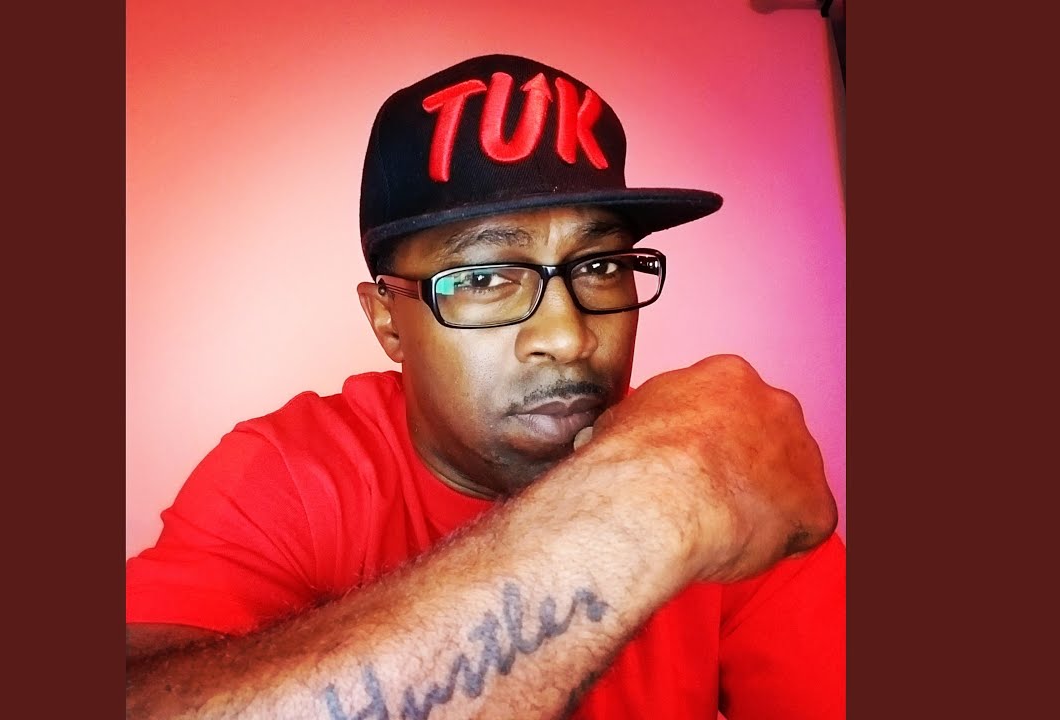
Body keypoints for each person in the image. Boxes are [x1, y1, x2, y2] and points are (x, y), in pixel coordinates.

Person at [126, 54, 844, 720]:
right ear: (388, 322)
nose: (567, 335)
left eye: (600, 266)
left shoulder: (711, 467)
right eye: (483, 277)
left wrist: (671, 483)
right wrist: (631, 520)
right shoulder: (296, 475)